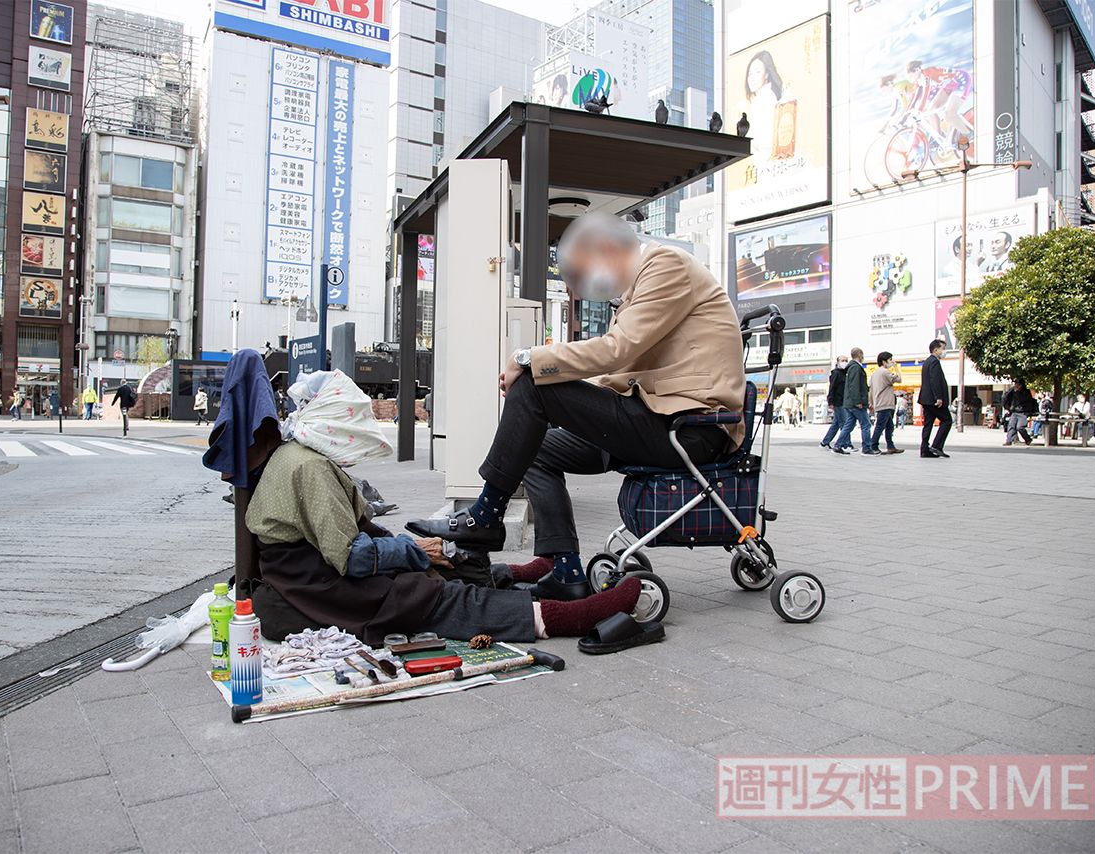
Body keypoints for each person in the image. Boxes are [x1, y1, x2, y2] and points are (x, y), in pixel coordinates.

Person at [406, 212, 745, 601]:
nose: (585, 287)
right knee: (536, 446)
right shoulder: (638, 288)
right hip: (657, 419)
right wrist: (563, 400)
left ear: (607, 249)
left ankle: (483, 518)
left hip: (690, 428)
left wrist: (529, 358)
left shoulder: (666, 266)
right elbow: (615, 373)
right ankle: (564, 571)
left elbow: (617, 351)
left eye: (584, 274)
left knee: (534, 383)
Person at [246, 371, 642, 646]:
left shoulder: (301, 456)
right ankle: (568, 617)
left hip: (313, 571)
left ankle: (516, 574)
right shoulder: (309, 467)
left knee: (439, 565)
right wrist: (414, 550)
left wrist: (418, 549)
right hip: (317, 584)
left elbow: (358, 536)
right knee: (429, 596)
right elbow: (350, 557)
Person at [834, 348, 875, 455]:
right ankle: (866, 448)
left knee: (849, 425)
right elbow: (854, 386)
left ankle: (838, 445)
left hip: (849, 402)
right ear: (860, 355)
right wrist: (858, 401)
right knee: (866, 424)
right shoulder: (855, 368)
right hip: (855, 403)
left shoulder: (852, 368)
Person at [919, 339, 952, 458]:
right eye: (942, 348)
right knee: (947, 420)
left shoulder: (927, 362)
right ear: (935, 350)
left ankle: (924, 449)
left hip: (926, 399)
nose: (944, 351)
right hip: (933, 400)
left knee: (928, 424)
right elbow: (934, 381)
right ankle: (936, 446)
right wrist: (938, 397)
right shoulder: (934, 362)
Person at [869, 352, 904, 454]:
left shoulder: (874, 374)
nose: (891, 362)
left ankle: (890, 446)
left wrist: (871, 403)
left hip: (879, 403)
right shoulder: (885, 372)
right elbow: (899, 379)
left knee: (889, 426)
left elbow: (870, 390)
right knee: (880, 426)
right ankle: (873, 446)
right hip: (885, 403)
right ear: (884, 361)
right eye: (890, 360)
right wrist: (896, 367)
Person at [820, 356, 851, 450]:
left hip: (843, 401)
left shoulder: (845, 373)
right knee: (845, 423)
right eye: (842, 361)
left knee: (836, 424)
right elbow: (832, 388)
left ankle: (825, 442)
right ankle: (846, 444)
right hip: (838, 402)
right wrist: (830, 401)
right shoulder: (836, 374)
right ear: (837, 362)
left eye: (846, 361)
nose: (844, 362)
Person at [1002, 379, 1038, 446]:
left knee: (1020, 427)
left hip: (1023, 412)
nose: (1017, 386)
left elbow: (1022, 400)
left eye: (1018, 384)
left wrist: (1017, 392)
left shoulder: (1026, 392)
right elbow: (1005, 397)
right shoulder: (1013, 391)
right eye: (1016, 384)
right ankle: (1009, 440)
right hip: (1014, 411)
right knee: (1011, 426)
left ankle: (1027, 439)